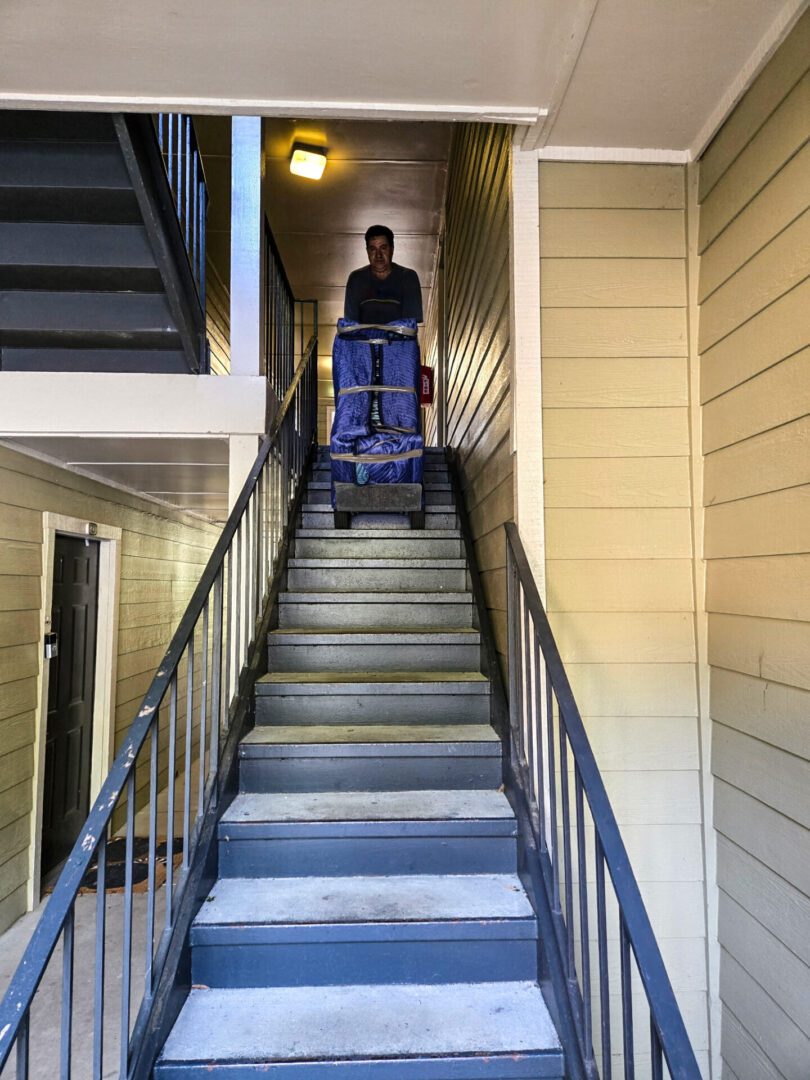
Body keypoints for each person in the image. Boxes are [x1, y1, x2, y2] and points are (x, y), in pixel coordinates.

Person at [344, 225, 423, 324]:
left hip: (398, 338)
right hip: (364, 339)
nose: (378, 255)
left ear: (392, 250)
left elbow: (409, 326)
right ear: (367, 251)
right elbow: (351, 326)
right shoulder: (356, 280)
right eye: (373, 249)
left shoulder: (408, 278)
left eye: (383, 248)